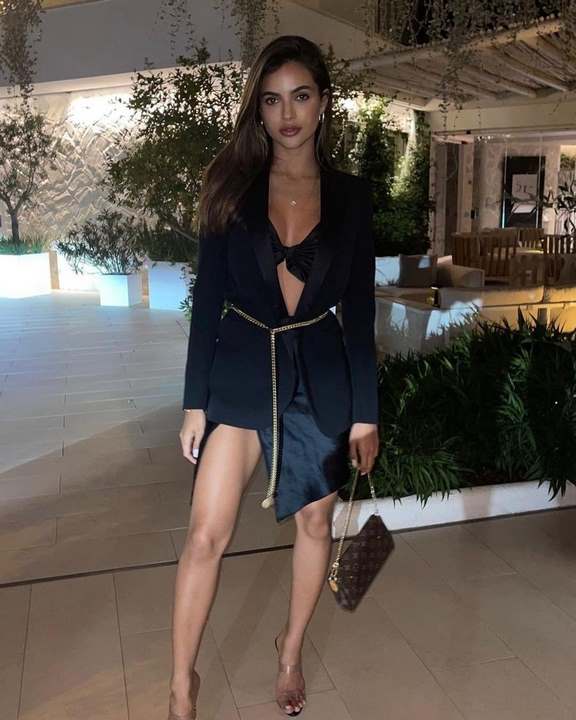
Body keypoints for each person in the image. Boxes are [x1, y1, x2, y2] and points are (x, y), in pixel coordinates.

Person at [168, 35, 379, 719]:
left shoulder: (351, 198)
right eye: (272, 100)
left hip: (319, 375)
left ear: (323, 103)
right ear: (257, 111)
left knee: (316, 524)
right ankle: (182, 684)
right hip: (240, 368)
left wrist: (366, 413)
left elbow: (360, 312)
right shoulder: (231, 188)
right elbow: (206, 301)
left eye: (301, 96)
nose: (287, 114)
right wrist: (194, 403)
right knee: (206, 533)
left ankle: (290, 653)